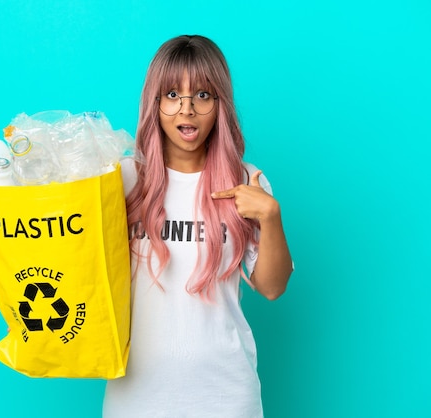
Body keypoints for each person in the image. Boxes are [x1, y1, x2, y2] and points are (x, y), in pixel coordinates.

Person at [103, 35, 293, 418]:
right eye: (172, 95)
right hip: (136, 396)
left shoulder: (247, 181)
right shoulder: (122, 181)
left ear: (220, 105)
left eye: (203, 95)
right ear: (154, 104)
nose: (186, 109)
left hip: (225, 396)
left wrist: (270, 218)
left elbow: (272, 288)